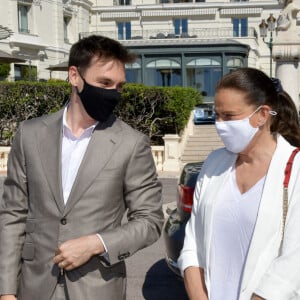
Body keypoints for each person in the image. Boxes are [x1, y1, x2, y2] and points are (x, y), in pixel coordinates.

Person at [0, 35, 164, 300]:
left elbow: (150, 220)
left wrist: (96, 243)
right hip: (34, 287)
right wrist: (6, 290)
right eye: (104, 83)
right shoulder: (29, 135)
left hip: (97, 288)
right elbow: (12, 215)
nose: (113, 93)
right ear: (74, 76)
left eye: (119, 86)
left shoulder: (131, 143)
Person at [178, 67, 300, 300]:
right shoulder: (214, 163)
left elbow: (293, 264)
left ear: (262, 114)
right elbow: (193, 242)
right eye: (217, 114)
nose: (220, 124)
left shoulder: (295, 170)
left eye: (229, 116)